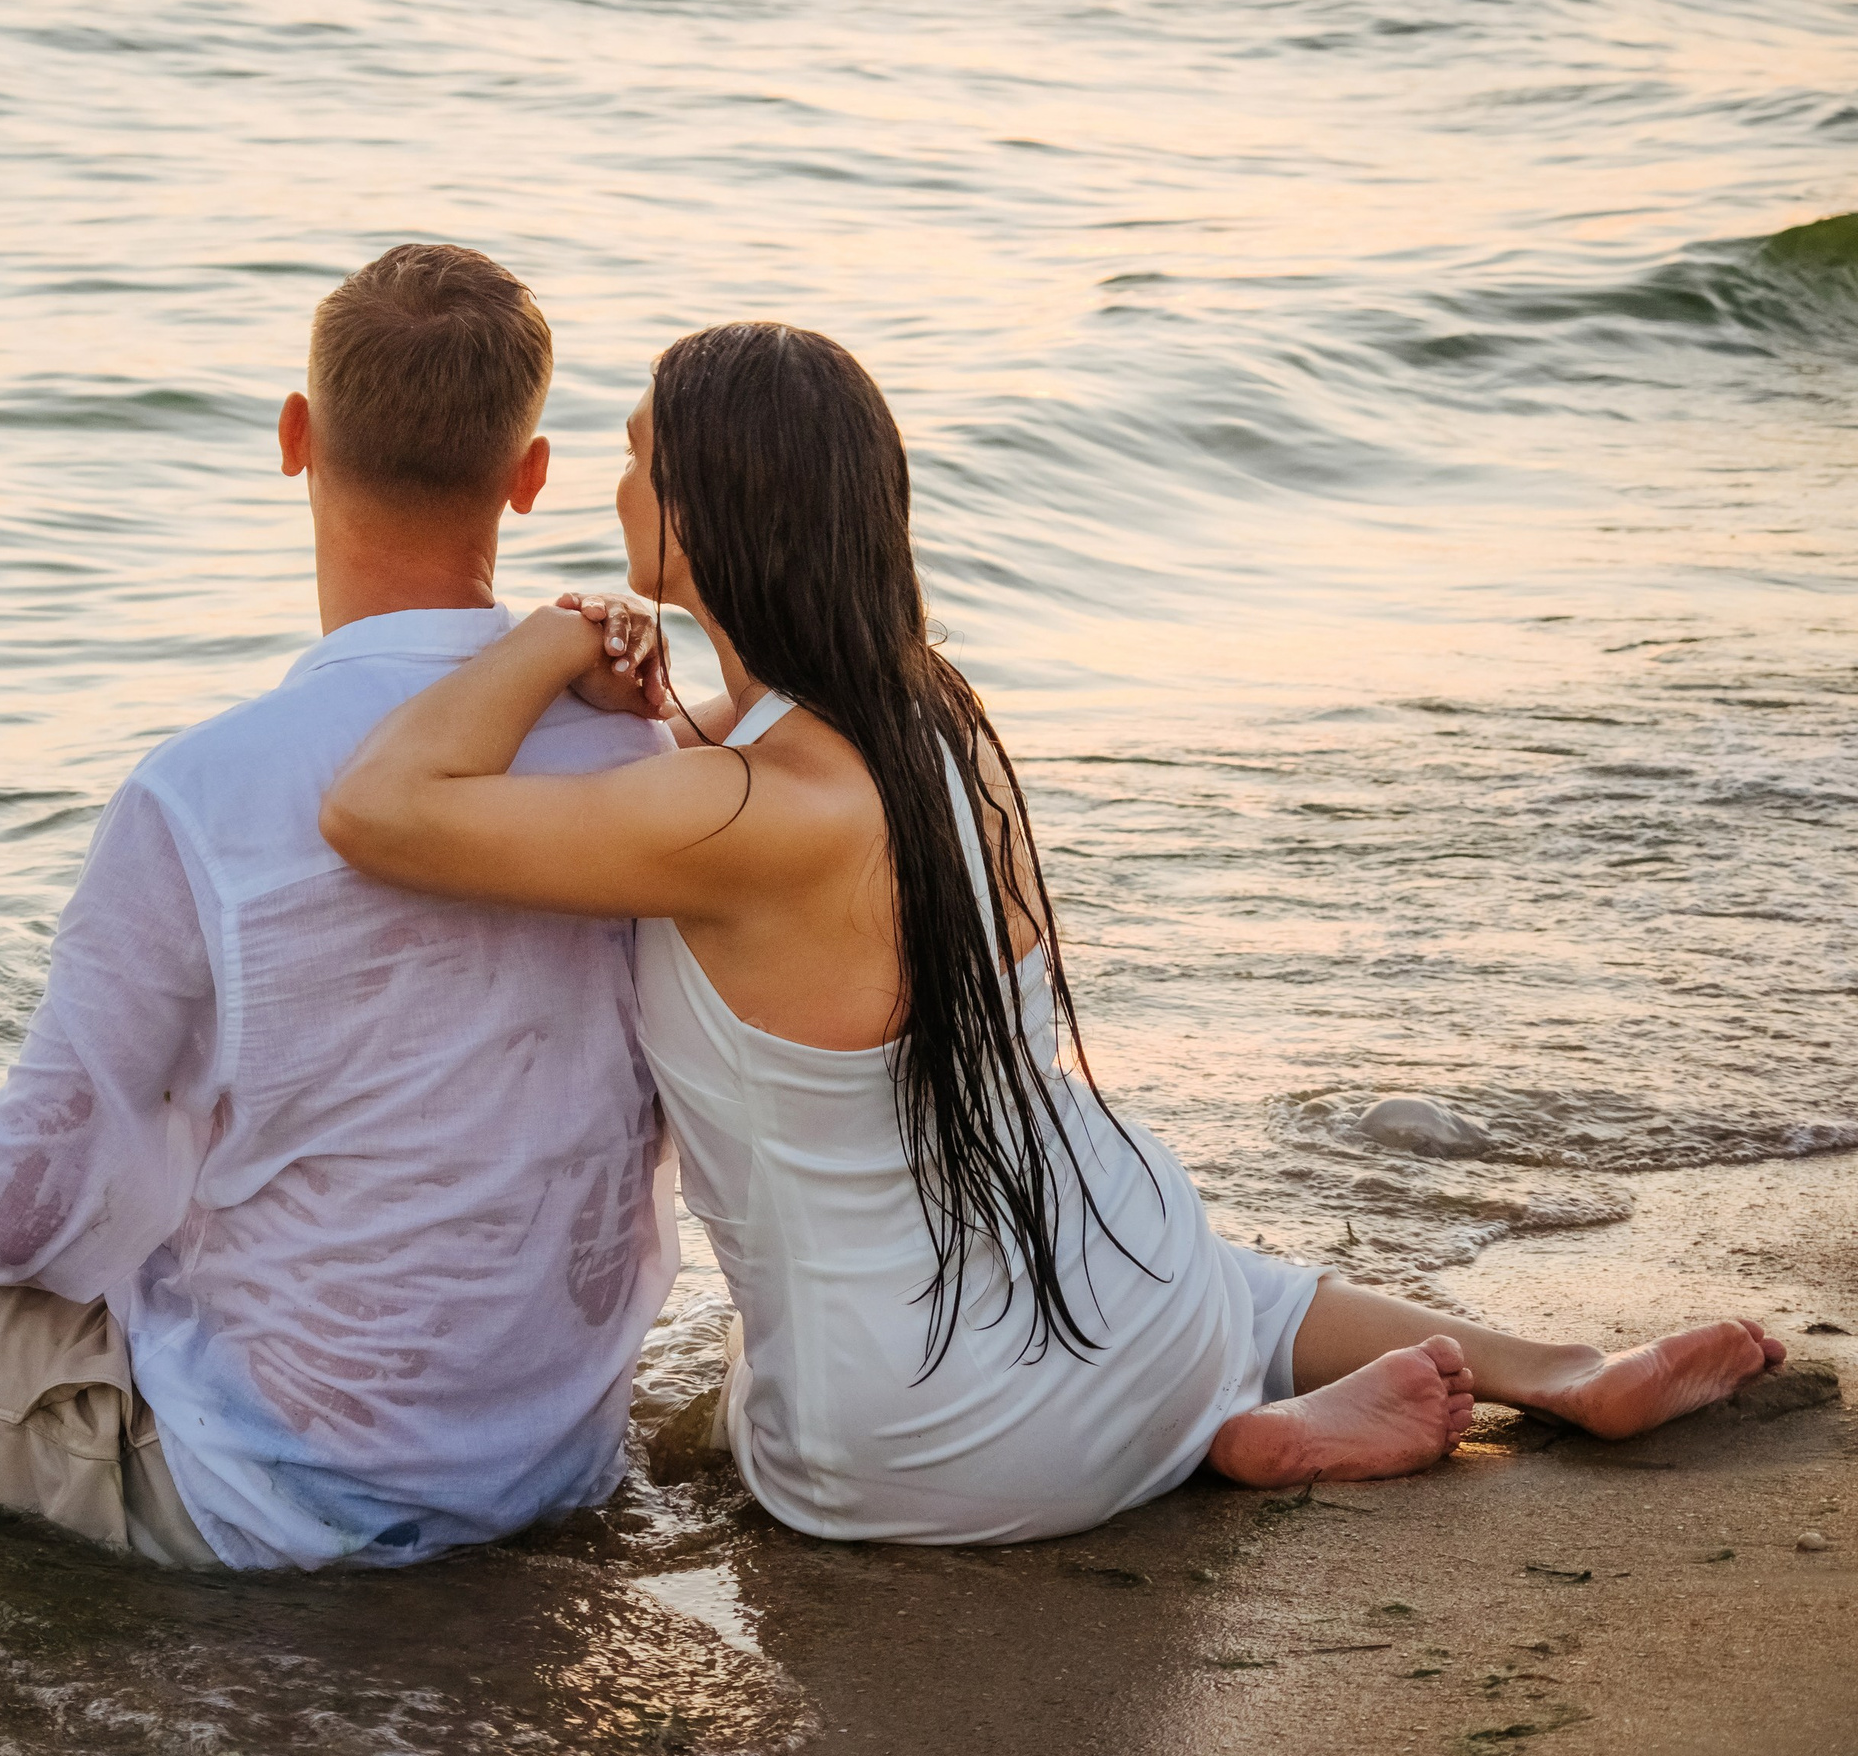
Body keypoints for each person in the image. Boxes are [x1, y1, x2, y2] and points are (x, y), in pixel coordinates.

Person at [320, 321, 1788, 1545]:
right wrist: (643, 695)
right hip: (1124, 1280)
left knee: (1141, 1314)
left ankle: (1228, 1435)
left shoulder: (741, 812)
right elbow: (728, 764)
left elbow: (380, 807)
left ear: (710, 514)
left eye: (639, 459)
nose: (619, 484)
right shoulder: (922, 716)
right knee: (1237, 1284)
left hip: (914, 1446)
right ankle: (1541, 1373)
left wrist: (560, 634)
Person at [0, 245, 679, 1569]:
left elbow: (17, 1225)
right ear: (528, 478)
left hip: (272, 1502)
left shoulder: (204, 792)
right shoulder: (640, 756)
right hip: (549, 1455)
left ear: (294, 437)